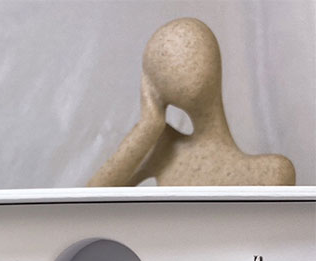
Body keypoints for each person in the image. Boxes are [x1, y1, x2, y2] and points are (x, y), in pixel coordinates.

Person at [88, 18, 295, 186]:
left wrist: (149, 122)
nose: (180, 64)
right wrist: (149, 125)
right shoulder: (162, 147)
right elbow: (87, 204)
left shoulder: (270, 172)